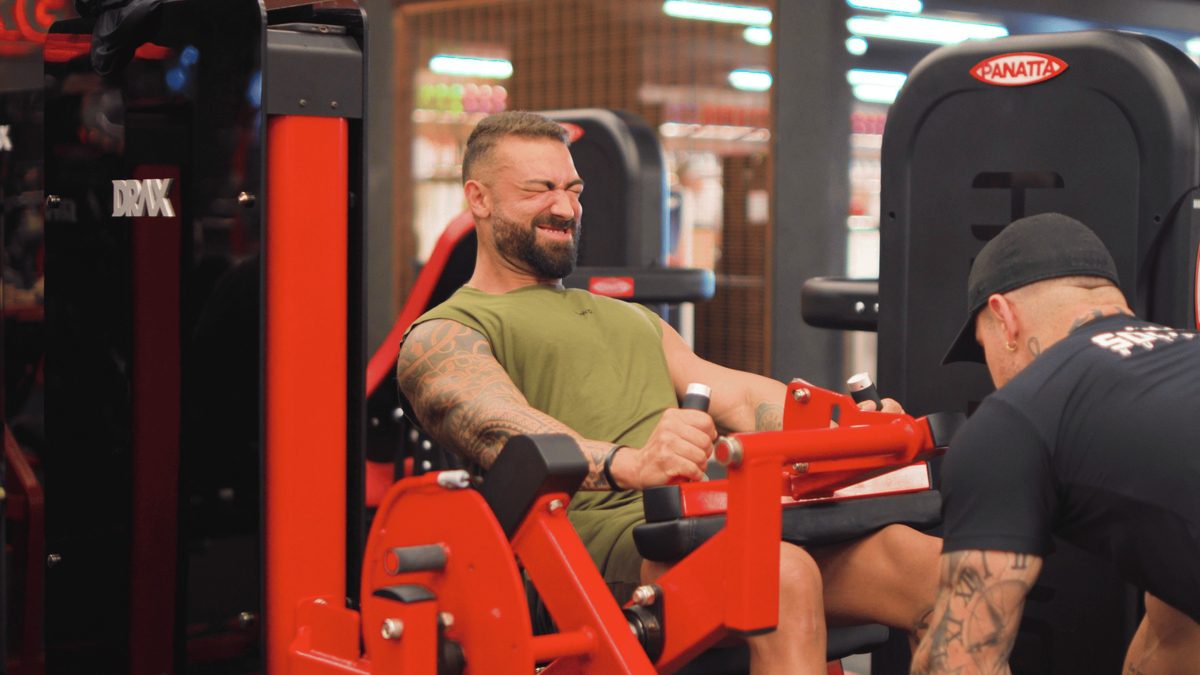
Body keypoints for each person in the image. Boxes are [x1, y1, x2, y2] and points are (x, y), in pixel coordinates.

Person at [397, 110, 940, 674]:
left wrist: (852, 430)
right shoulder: (446, 332)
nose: (564, 208)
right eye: (540, 190)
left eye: (573, 190)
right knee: (780, 574)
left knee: (936, 568)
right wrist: (632, 463)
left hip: (699, 523)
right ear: (479, 199)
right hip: (587, 552)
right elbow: (503, 429)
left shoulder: (632, 318)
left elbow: (738, 397)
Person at [912, 212, 1200, 674]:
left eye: (983, 348)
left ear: (1004, 318)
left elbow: (963, 662)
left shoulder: (1013, 418)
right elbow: (1174, 638)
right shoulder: (1184, 359)